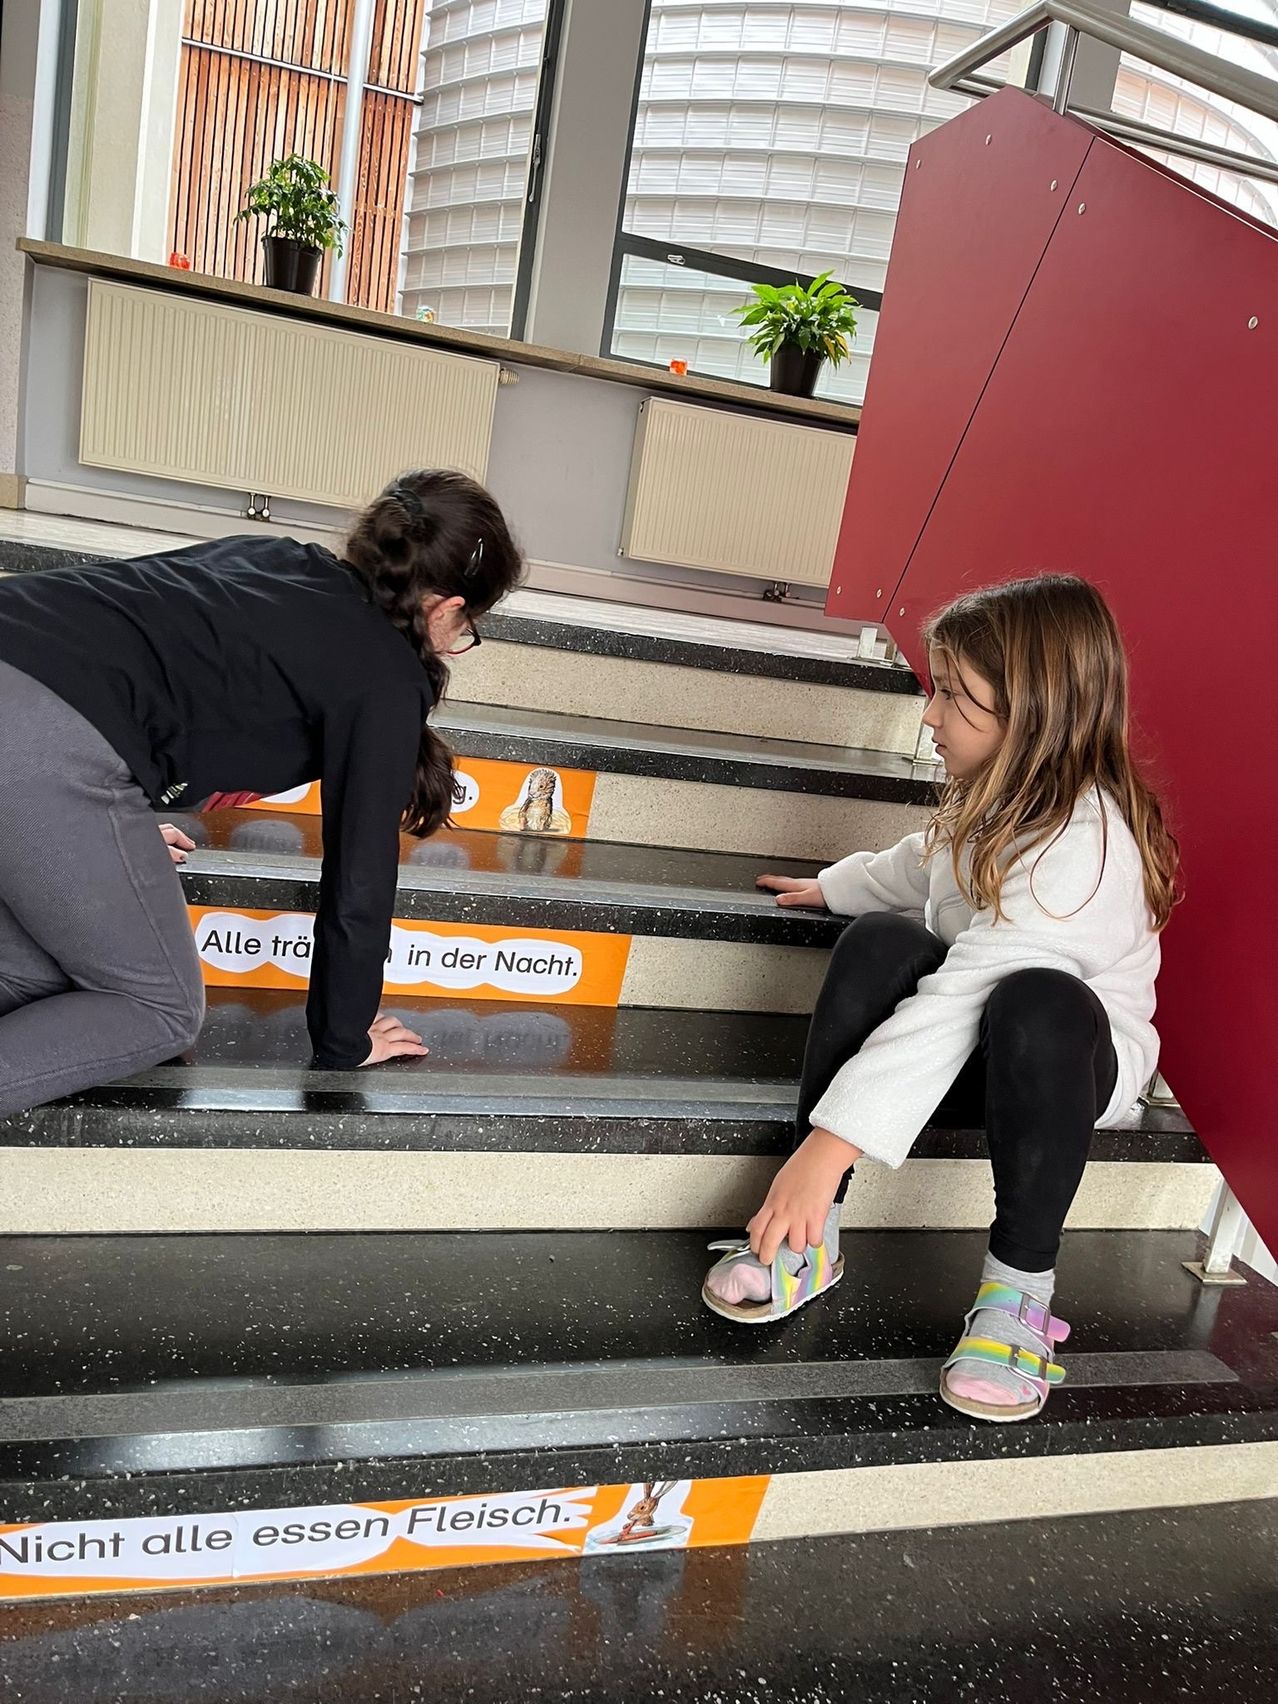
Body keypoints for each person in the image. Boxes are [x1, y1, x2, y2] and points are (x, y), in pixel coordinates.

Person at [703, 574, 1179, 1423]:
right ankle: (811, 1243)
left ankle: (1018, 1293)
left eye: (954, 696)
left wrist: (824, 1150)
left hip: (1060, 1068)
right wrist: (832, 887)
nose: (930, 715)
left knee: (1035, 996)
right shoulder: (995, 797)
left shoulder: (1091, 842)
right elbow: (920, 865)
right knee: (884, 940)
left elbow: (966, 994)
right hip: (969, 1046)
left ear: (1032, 713)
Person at [0, 468, 523, 1113]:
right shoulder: (384, 676)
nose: (457, 642)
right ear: (445, 608)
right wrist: (344, 1038)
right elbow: (359, 876)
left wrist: (112, 835)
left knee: (42, 973)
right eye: (469, 627)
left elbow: (143, 659)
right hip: (38, 745)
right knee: (157, 1008)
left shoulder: (273, 558)